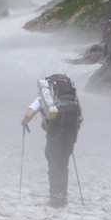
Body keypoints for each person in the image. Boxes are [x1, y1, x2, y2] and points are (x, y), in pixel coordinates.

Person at [21, 74, 82, 208]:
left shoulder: (43, 99)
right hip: (71, 130)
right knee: (64, 162)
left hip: (55, 131)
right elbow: (81, 118)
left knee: (54, 161)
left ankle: (55, 195)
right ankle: (63, 195)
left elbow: (29, 115)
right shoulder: (72, 98)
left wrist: (24, 122)